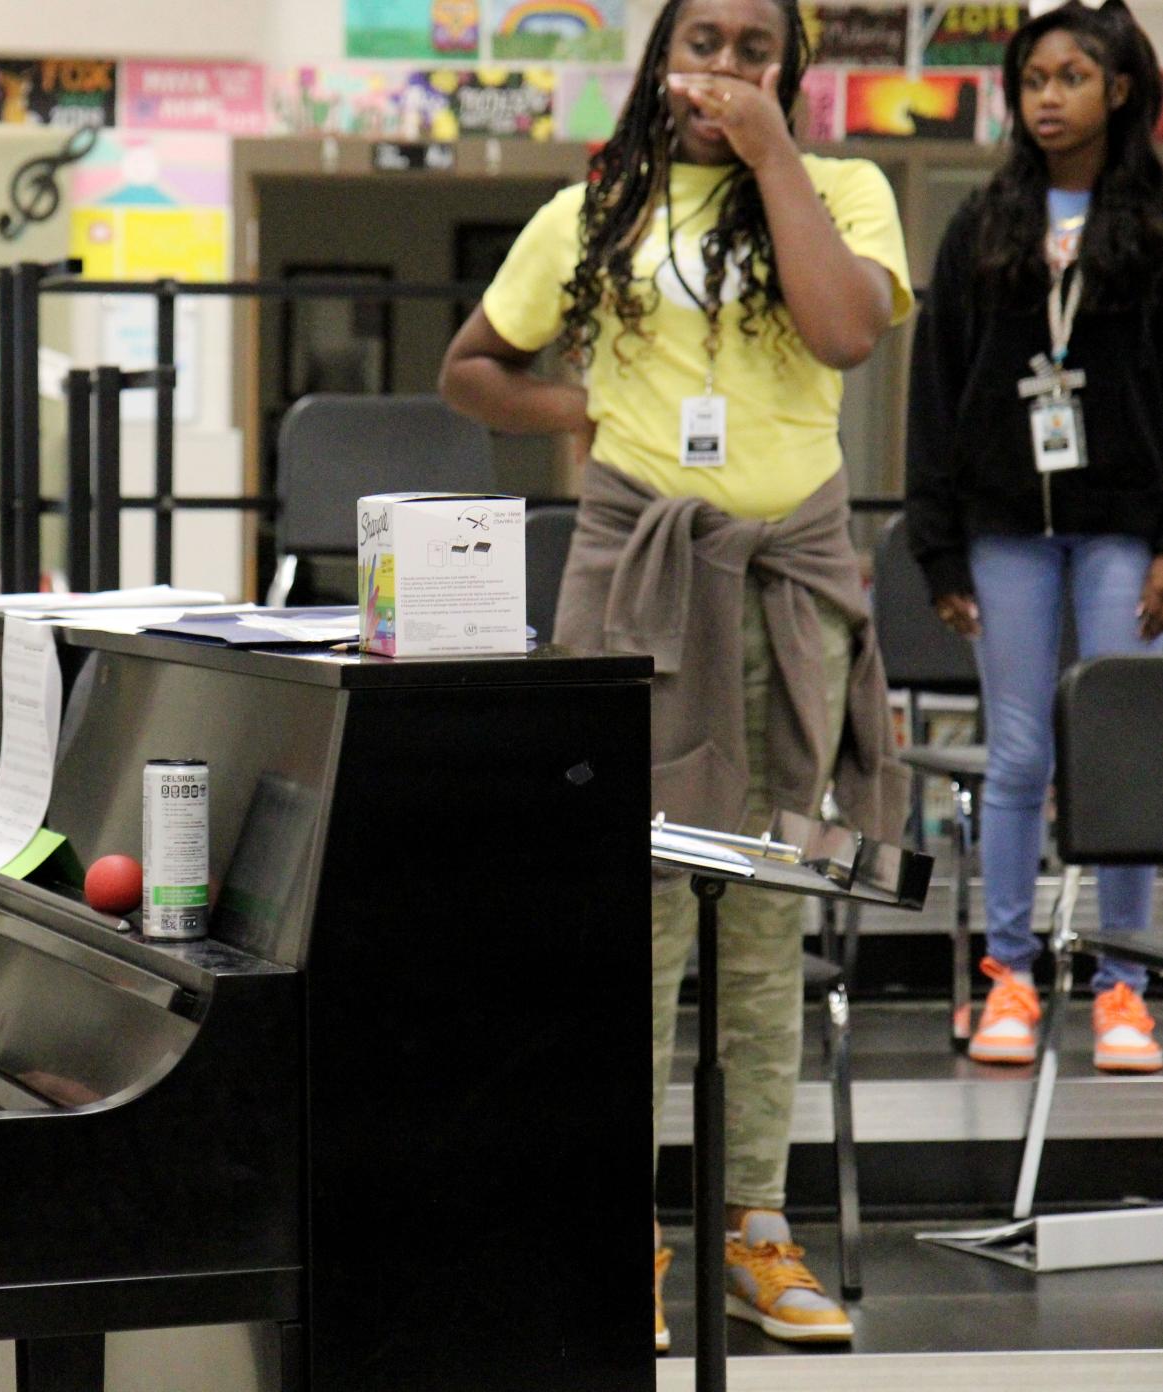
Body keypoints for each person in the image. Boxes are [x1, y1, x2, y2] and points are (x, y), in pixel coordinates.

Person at [439, 0, 911, 1352]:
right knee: (631, 916)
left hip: (783, 586)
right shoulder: (598, 207)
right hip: (637, 581)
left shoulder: (840, 190)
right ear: (660, 60)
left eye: (751, 49)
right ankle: (618, 1227)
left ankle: (757, 1226)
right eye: (699, 42)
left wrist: (769, 158)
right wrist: (588, 410)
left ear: (791, 71)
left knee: (764, 913)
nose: (721, 69)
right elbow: (471, 366)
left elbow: (844, 337)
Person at [906, 0, 1163, 1074]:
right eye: (1033, 79)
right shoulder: (983, 224)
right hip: (1005, 525)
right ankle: (1008, 976)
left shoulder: (1154, 223)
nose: (1048, 96)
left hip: (1126, 528)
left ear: (1120, 90)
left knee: (1123, 750)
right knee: (1015, 754)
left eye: (1072, 76)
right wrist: (938, 547)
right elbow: (933, 387)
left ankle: (1127, 987)